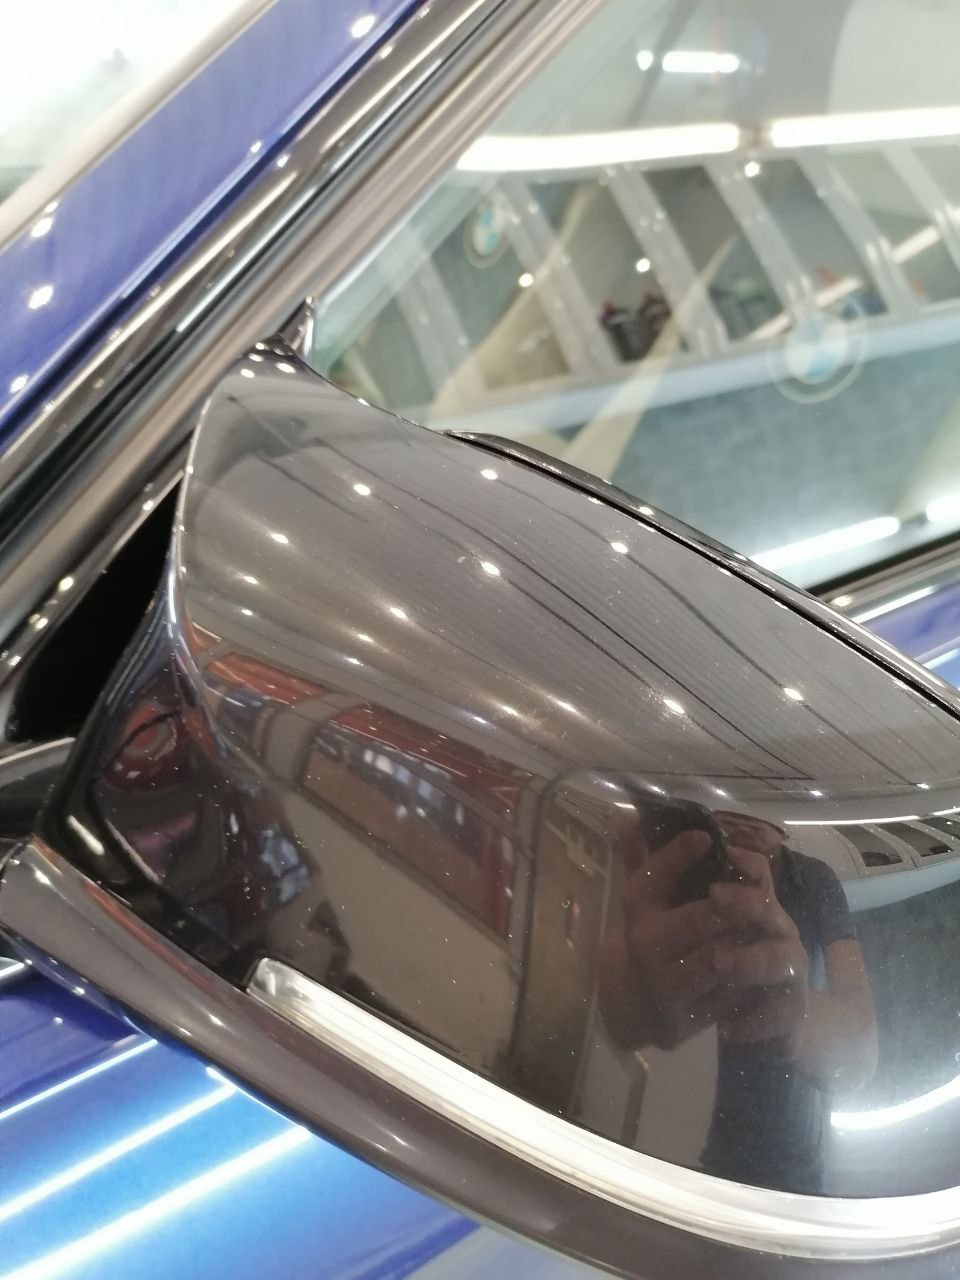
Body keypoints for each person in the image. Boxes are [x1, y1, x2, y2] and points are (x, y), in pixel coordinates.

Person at [599, 804, 877, 1193]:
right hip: (705, 1160)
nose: (751, 815)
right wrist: (644, 992)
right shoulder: (680, 864)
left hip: (796, 1173)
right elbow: (616, 1020)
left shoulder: (814, 880)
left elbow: (858, 1058)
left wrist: (788, 1005)